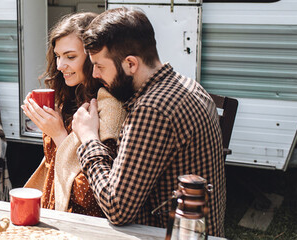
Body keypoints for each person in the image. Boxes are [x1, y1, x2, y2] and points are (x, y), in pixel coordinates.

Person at [71, 7, 226, 236]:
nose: (94, 74)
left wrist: (89, 139)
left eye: (100, 66)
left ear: (131, 64)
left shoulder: (152, 110)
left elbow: (116, 208)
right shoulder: (188, 85)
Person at [21, 12, 125, 218]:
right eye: (58, 56)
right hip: (55, 213)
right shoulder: (70, 96)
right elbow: (54, 168)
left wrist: (59, 136)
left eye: (70, 56)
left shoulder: (108, 107)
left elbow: (90, 197)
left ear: (93, 57)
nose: (60, 66)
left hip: (81, 223)